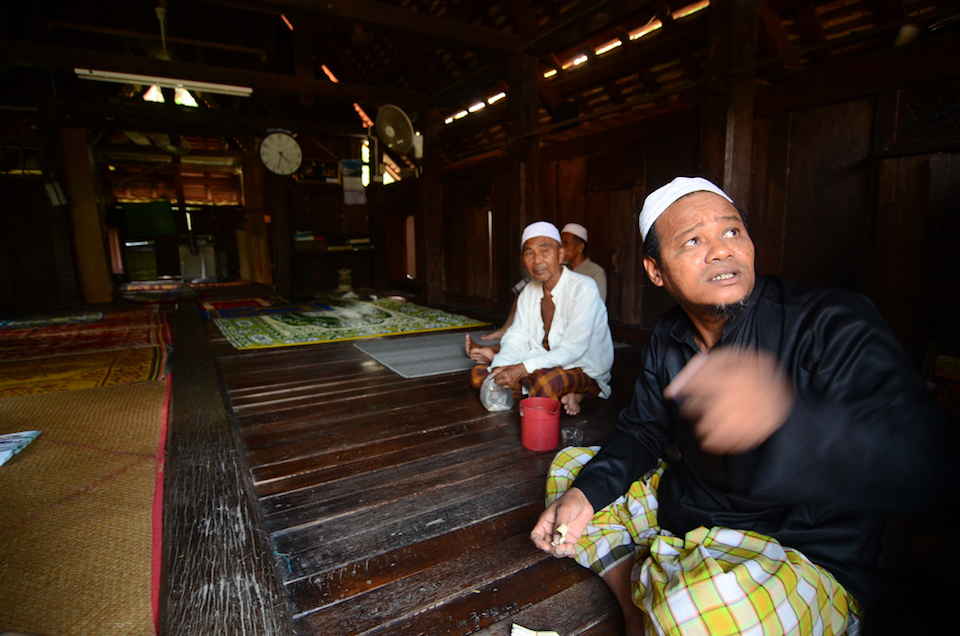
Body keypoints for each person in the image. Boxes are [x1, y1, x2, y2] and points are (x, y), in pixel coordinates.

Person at [529, 177, 958, 635]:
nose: (720, 251)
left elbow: (932, 463)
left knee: (700, 612)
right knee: (574, 474)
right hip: (691, 510)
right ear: (656, 271)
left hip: (800, 548)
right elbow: (642, 432)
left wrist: (783, 419)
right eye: (693, 240)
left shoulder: (830, 319)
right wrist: (586, 495)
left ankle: (666, 589)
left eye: (732, 232)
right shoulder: (669, 334)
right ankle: (635, 608)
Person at [468, 221, 614, 416]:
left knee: (545, 382)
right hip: (539, 362)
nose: (537, 260)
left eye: (545, 251)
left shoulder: (583, 288)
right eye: (529, 253)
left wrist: (521, 369)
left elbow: (573, 349)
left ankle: (584, 392)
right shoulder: (529, 291)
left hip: (581, 365)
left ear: (561, 254)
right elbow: (517, 337)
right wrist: (501, 365)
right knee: (481, 376)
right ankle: (554, 392)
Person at [476, 222, 606, 344]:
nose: (537, 260)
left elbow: (591, 313)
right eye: (530, 253)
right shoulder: (551, 270)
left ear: (580, 247)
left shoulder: (592, 274)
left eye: (566, 243)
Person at [560, 223, 606, 303]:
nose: (562, 248)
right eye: (561, 243)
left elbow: (597, 304)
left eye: (566, 243)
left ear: (580, 247)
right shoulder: (560, 269)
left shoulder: (595, 272)